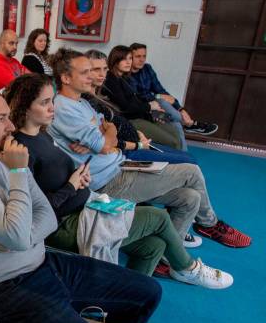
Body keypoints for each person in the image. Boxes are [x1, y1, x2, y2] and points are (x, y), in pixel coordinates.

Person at [0, 89, 162, 323]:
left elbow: (47, 215)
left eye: (9, 117)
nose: (10, 126)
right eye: (0, 119)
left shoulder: (6, 157)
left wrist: (15, 238)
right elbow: (20, 235)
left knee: (148, 292)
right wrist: (19, 176)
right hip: (6, 290)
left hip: (43, 264)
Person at [8, 73, 233, 286]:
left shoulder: (42, 134)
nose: (52, 107)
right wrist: (72, 185)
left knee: (154, 246)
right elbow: (33, 211)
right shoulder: (22, 149)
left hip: (84, 204)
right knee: (158, 217)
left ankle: (122, 301)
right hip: (64, 224)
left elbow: (57, 173)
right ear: (25, 108)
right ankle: (187, 268)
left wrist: (79, 176)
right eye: (44, 103)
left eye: (51, 100)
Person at [47, 47, 251, 248]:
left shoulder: (81, 102)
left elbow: (108, 128)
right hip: (108, 181)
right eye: (85, 72)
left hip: (120, 165)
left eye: (93, 71)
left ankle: (167, 255)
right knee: (191, 171)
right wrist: (104, 137)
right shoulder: (64, 107)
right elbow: (103, 143)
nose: (92, 77)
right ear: (65, 78)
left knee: (190, 198)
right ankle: (209, 224)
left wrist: (105, 134)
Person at [85, 49, 197, 164]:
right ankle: (190, 124)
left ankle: (187, 123)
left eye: (104, 69)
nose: (102, 74)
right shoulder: (104, 88)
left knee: (175, 124)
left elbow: (142, 97)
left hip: (138, 131)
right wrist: (138, 143)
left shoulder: (128, 78)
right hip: (130, 143)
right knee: (186, 157)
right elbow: (125, 111)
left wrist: (145, 121)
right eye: (96, 69)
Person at [102, 45, 185, 150]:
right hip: (132, 120)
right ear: (115, 60)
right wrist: (150, 107)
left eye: (130, 58)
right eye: (124, 59)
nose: (128, 62)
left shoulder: (125, 78)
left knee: (174, 126)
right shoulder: (111, 80)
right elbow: (126, 107)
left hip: (144, 114)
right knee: (174, 142)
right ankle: (181, 161)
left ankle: (186, 158)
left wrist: (153, 110)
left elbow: (138, 99)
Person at [130, 43, 217, 135]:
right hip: (144, 112)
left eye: (144, 56)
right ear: (130, 57)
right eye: (138, 56)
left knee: (176, 124)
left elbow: (160, 90)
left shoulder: (147, 68)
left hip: (157, 110)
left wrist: (180, 109)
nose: (142, 60)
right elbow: (140, 96)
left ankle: (185, 138)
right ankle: (190, 124)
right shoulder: (126, 75)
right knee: (162, 101)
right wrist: (158, 96)